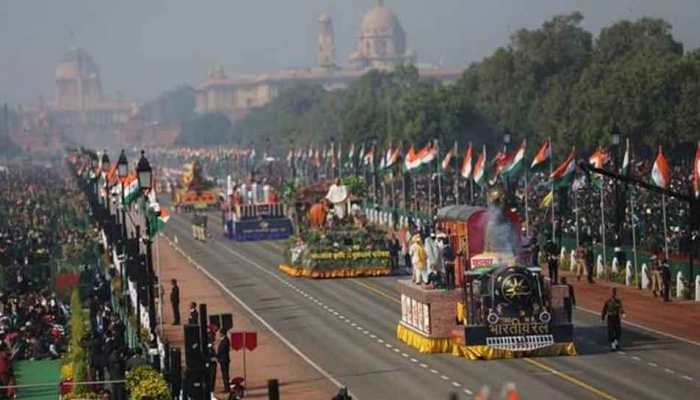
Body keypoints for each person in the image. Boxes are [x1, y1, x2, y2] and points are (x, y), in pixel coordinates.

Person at [216, 329, 231, 393]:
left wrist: (216, 355)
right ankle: (226, 388)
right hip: (223, 359)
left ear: (222, 333)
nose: (219, 334)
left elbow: (222, 350)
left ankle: (227, 389)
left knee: (225, 375)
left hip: (224, 360)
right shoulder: (224, 340)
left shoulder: (225, 340)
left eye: (220, 333)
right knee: (224, 375)